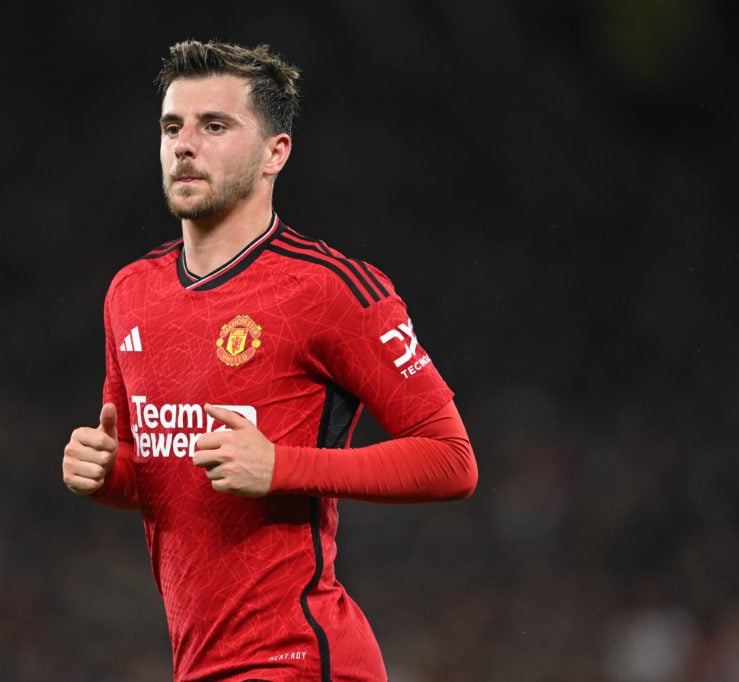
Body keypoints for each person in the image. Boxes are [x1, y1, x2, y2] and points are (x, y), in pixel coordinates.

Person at [62, 39, 478, 682]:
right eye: (172, 126)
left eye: (215, 125)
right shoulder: (130, 293)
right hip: (203, 665)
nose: (184, 144)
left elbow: (452, 460)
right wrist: (107, 475)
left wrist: (284, 466)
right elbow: (165, 479)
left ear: (274, 154)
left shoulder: (329, 290)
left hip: (300, 659)